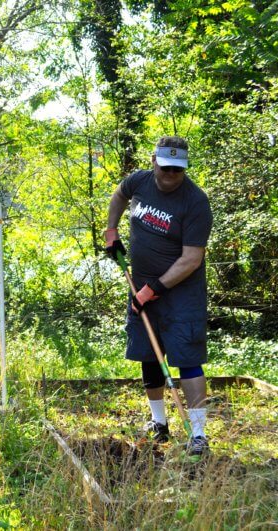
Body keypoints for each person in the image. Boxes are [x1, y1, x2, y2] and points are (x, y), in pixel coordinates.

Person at [104, 136, 213, 456]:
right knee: (148, 351)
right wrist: (111, 231)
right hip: (142, 284)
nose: (170, 174)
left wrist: (154, 290)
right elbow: (119, 195)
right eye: (165, 167)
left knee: (188, 357)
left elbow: (192, 259)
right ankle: (159, 423)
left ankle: (198, 436)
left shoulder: (195, 202)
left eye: (177, 170)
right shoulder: (139, 180)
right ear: (153, 160)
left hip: (181, 292)